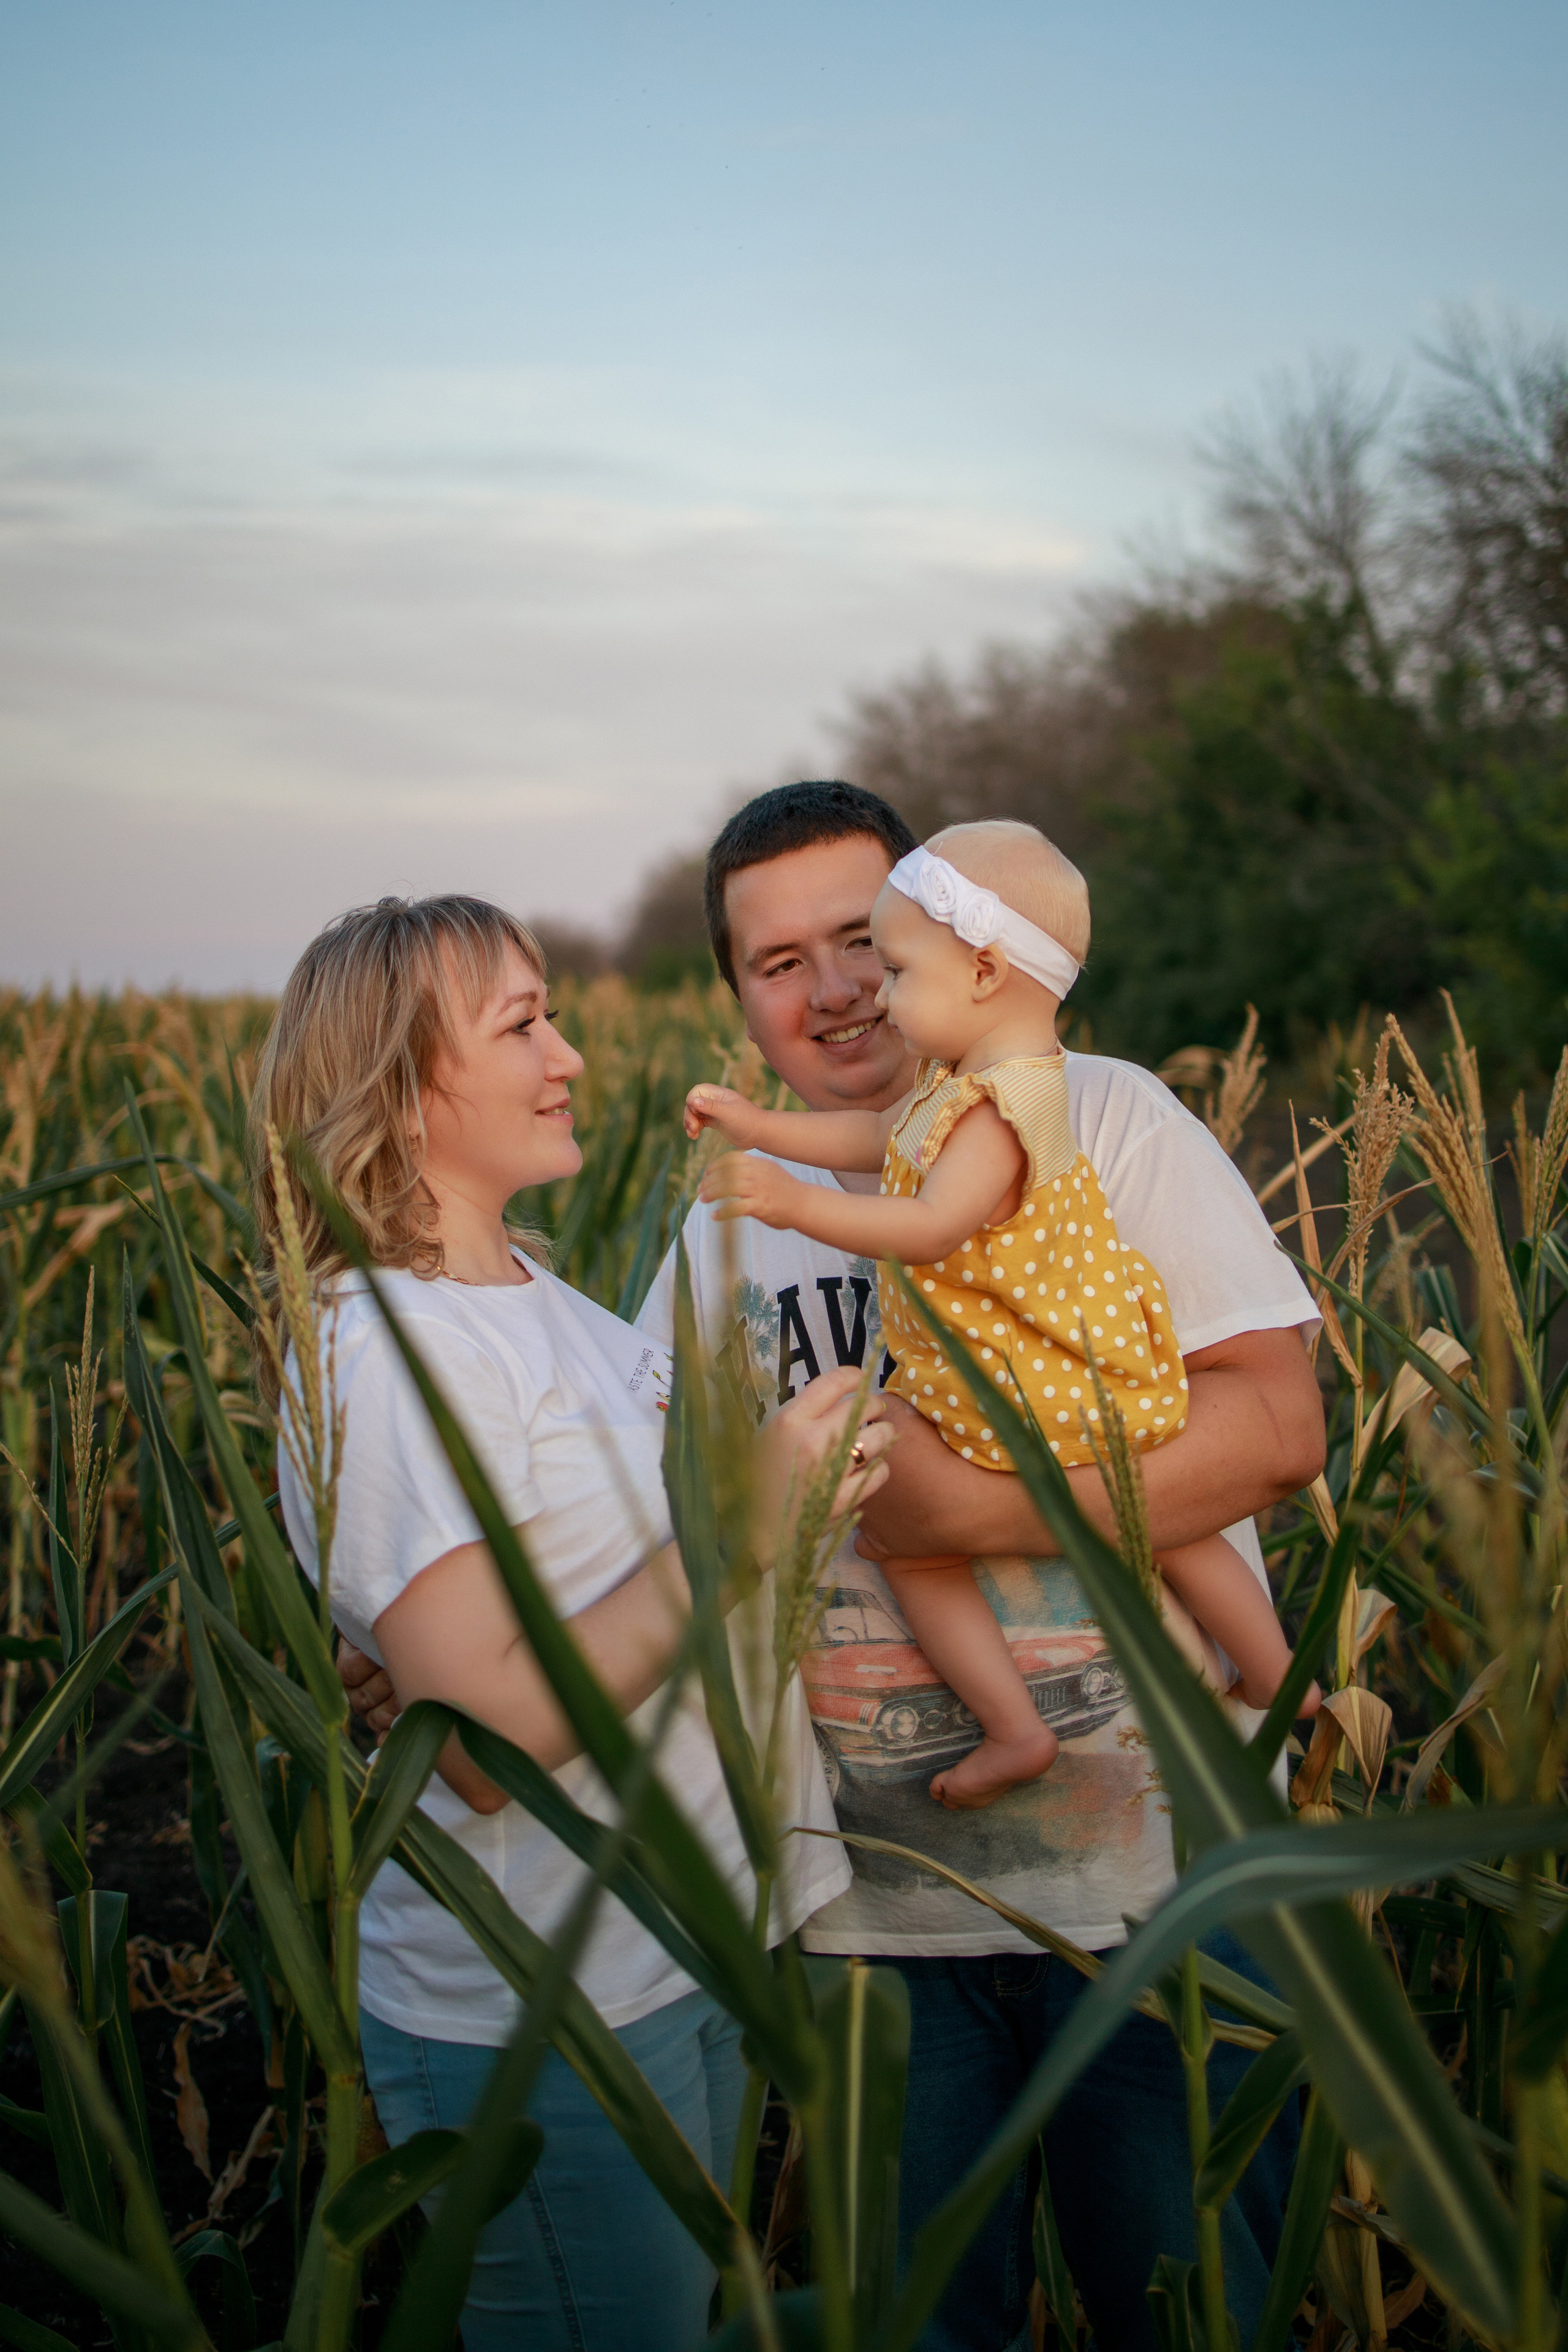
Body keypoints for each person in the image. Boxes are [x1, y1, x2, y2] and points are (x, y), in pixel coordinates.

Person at [255, 893, 891, 2352]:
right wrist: (748, 1525)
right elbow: (480, 1747)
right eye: (524, 1024)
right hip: (544, 2008)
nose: (574, 1056)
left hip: (673, 1950)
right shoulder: (382, 1353)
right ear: (401, 1085)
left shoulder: (535, 1295)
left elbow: (552, 1613)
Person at [684, 818, 1310, 1809]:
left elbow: (1281, 1437)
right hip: (870, 1918)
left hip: (1173, 1895)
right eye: (779, 962)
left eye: (867, 944)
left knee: (921, 1544)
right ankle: (1218, 1683)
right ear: (742, 1000)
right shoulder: (730, 1218)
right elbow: (651, 1482)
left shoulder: (1108, 1116)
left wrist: (962, 1514)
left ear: (979, 967)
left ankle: (1250, 1684)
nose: (849, 990)